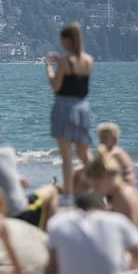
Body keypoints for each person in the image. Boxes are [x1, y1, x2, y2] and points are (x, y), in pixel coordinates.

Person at [45, 22, 93, 205]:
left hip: (64, 107)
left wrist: (49, 68)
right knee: (85, 154)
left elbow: (55, 86)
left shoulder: (66, 62)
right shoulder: (88, 61)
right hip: (83, 107)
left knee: (66, 155)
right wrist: (61, 63)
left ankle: (70, 195)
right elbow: (76, 81)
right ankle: (97, 189)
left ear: (67, 40)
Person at [84, 145, 138, 236]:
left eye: (96, 185)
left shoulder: (121, 197)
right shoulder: (125, 190)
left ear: (106, 176)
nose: (94, 189)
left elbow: (131, 234)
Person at [97, 122, 136, 186]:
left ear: (114, 139)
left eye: (105, 138)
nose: (102, 141)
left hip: (123, 186)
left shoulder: (116, 153)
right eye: (100, 138)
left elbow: (128, 173)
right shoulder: (107, 152)